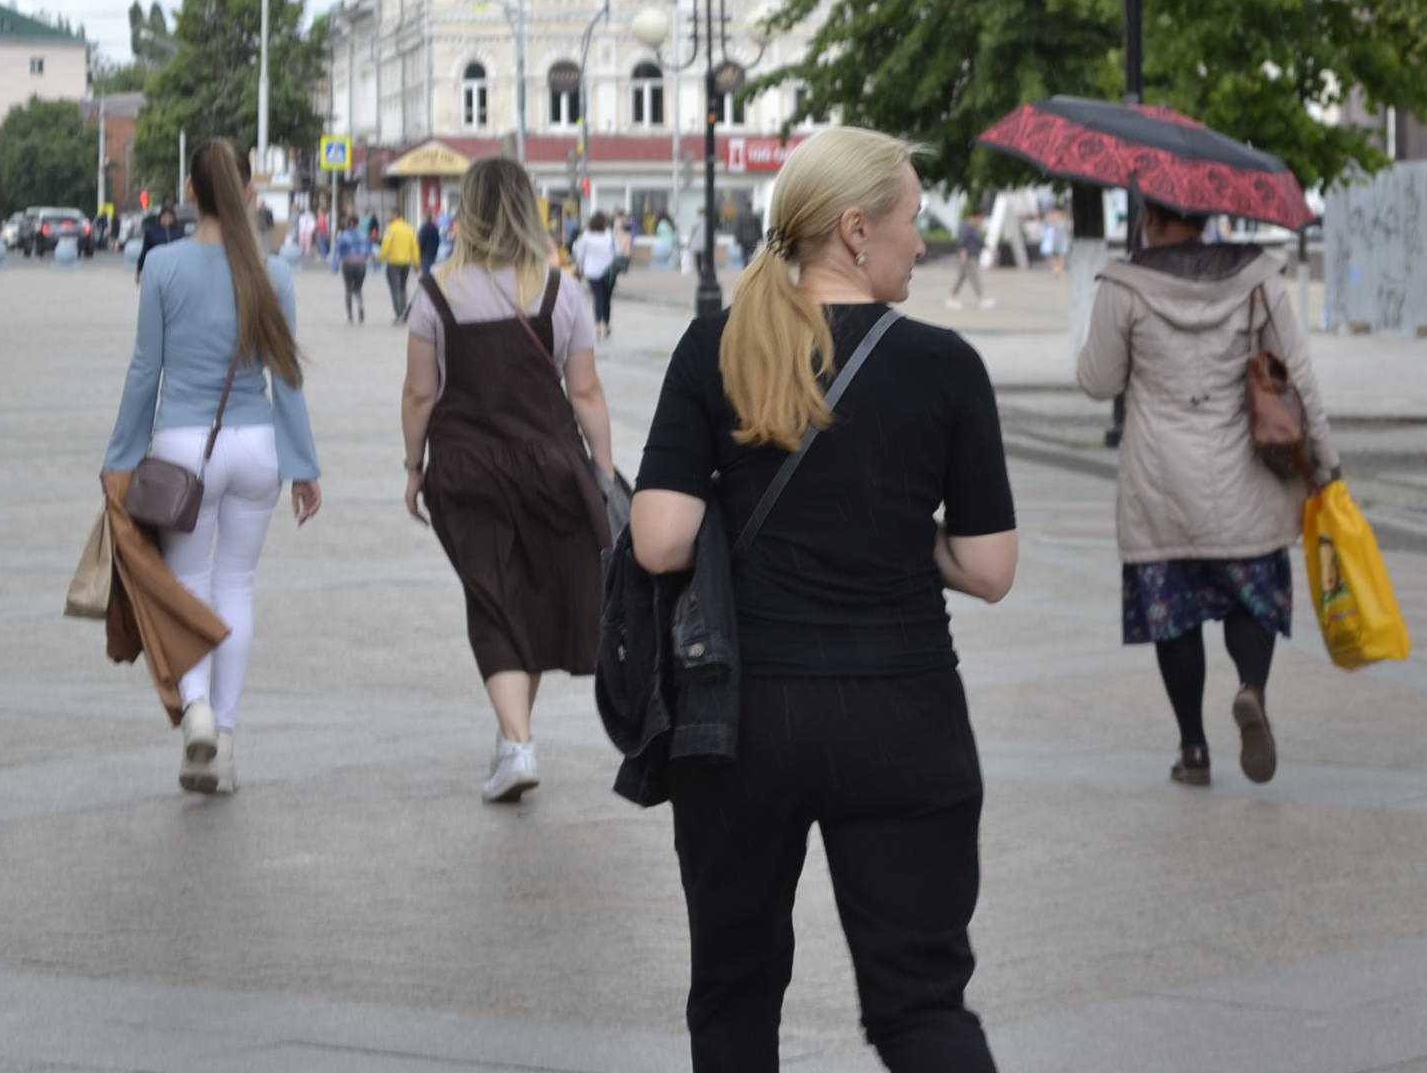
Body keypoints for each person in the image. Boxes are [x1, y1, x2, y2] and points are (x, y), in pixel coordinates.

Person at [631, 126, 1019, 1072]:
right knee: (922, 1006)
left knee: (734, 994)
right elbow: (989, 568)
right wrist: (891, 527)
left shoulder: (714, 346)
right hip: (904, 715)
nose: (920, 242)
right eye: (911, 222)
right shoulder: (945, 366)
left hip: (741, 722)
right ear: (855, 230)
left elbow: (661, 539)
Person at [1076, 200, 1335, 786]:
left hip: (1159, 480)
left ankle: (1193, 750)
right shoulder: (1257, 278)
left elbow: (1098, 380)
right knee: (1252, 599)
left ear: (1152, 219)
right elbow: (1299, 374)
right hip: (1244, 473)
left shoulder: (1125, 283)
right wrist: (1326, 462)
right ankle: (1251, 689)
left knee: (1175, 615)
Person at [103, 139, 322, 796]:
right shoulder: (273, 273)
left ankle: (194, 706)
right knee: (237, 586)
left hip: (181, 451)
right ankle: (223, 740)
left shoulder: (163, 264)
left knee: (187, 584)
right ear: (248, 191)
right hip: (256, 450)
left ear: (191, 192)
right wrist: (304, 464)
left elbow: (148, 370)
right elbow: (286, 377)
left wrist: (120, 456)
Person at [401, 158, 613, 803]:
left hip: (465, 470)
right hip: (549, 463)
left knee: (493, 599)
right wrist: (602, 473)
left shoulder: (434, 291)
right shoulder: (559, 290)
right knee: (536, 595)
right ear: (528, 209)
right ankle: (513, 737)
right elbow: (585, 391)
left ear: (468, 211)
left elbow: (419, 394)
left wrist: (414, 469)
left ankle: (515, 742)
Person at [571, 211, 620, 339]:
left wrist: (578, 268)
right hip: (609, 272)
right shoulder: (610, 234)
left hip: (592, 271)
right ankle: (607, 324)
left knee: (598, 297)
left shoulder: (586, 236)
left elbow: (580, 255)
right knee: (607, 298)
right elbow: (618, 251)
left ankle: (598, 324)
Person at [333, 208, 373, 324]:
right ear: (358, 223)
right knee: (358, 288)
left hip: (348, 263)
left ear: (347, 223)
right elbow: (369, 250)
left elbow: (338, 251)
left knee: (348, 289)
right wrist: (375, 263)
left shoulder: (343, 235)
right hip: (361, 263)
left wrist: (335, 266)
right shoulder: (364, 235)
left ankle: (350, 316)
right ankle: (360, 305)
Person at [946, 212, 992, 309]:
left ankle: (951, 298)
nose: (981, 221)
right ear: (976, 217)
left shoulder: (973, 227)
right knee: (974, 278)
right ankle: (980, 299)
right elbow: (963, 241)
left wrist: (989, 248)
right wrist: (963, 254)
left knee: (961, 278)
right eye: (981, 219)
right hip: (967, 257)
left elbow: (978, 241)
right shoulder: (967, 227)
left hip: (969, 256)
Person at [380, 211, 420, 323]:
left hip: (393, 263)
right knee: (403, 287)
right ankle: (404, 313)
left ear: (396, 215)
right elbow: (415, 246)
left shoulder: (390, 229)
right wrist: (416, 263)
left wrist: (381, 258)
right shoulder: (409, 229)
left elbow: (385, 246)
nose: (389, 216)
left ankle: (399, 314)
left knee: (395, 289)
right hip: (406, 263)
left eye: (390, 215)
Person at [137, 205, 179, 285]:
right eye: (165, 216)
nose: (167, 219)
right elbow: (145, 251)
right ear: (160, 217)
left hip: (174, 270)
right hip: (157, 269)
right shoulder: (152, 232)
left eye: (170, 216)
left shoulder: (178, 231)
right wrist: (139, 270)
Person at [417, 211, 441, 276]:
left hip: (425, 255)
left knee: (425, 274)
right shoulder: (435, 228)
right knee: (430, 273)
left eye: (421, 217)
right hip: (433, 254)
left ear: (425, 218)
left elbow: (420, 242)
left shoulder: (424, 229)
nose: (421, 219)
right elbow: (438, 241)